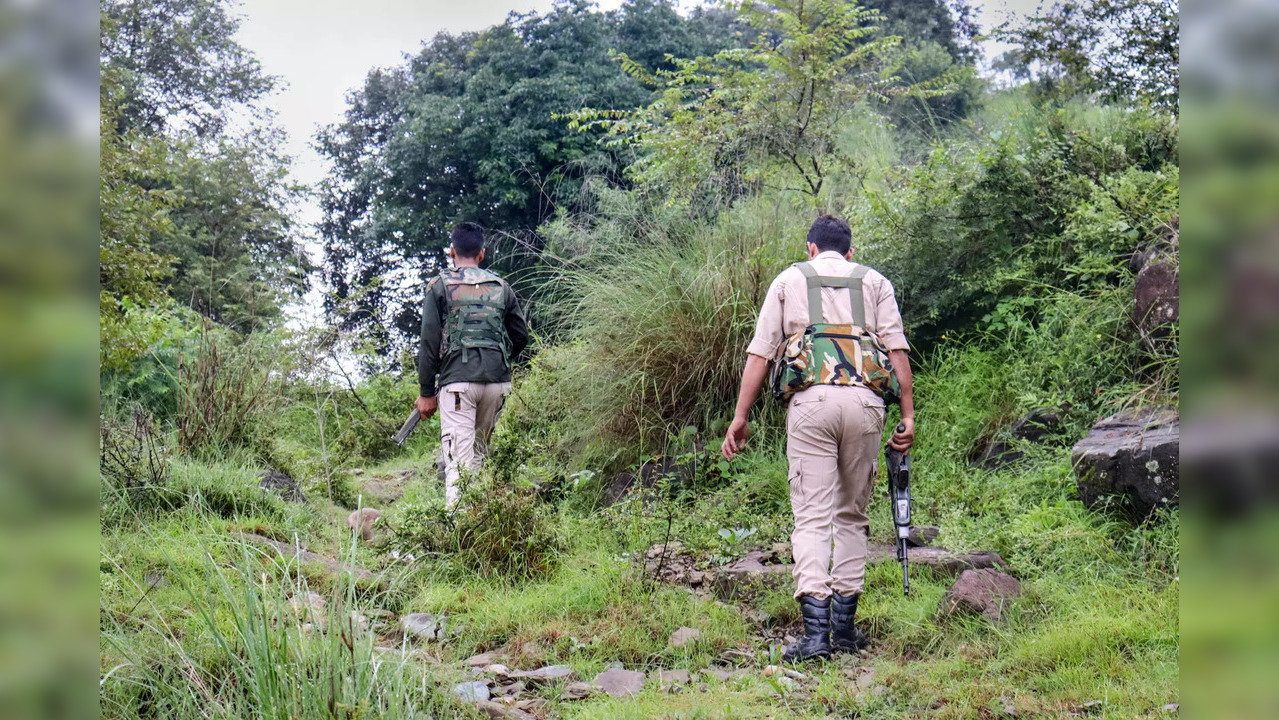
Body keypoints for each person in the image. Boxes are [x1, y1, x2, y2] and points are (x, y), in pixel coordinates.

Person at [721, 214, 915, 662]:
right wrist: (906, 415)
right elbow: (898, 350)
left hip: (811, 405)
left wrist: (740, 416)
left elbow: (760, 352)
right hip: (866, 404)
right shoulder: (875, 282)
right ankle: (844, 633)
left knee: (812, 518)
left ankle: (814, 637)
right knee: (851, 515)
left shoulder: (789, 280)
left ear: (811, 248)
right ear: (849, 252)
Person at [415, 222, 529, 508]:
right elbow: (520, 336)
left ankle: (458, 541)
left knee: (458, 464)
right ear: (482, 254)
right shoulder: (502, 287)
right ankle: (477, 529)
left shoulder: (439, 286)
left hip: (457, 385)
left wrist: (426, 392)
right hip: (498, 384)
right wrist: (497, 359)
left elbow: (429, 343)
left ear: (452, 252)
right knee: (478, 455)